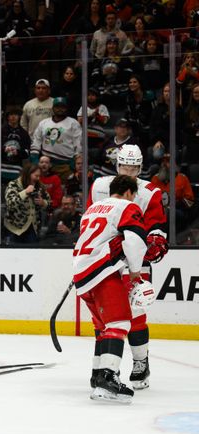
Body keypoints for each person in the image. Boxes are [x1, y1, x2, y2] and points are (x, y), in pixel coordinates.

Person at [86, 145, 167, 390]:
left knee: (135, 312)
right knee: (104, 315)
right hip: (106, 261)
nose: (129, 172)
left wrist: (156, 239)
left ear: (140, 167)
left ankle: (141, 363)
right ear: (117, 165)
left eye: (133, 168)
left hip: (135, 259)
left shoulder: (149, 192)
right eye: (124, 167)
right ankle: (102, 368)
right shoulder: (99, 186)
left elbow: (156, 226)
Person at [73, 174, 147, 404]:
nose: (134, 198)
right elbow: (135, 239)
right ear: (128, 192)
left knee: (104, 326)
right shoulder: (127, 206)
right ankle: (107, 379)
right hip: (102, 270)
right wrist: (135, 270)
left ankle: (97, 375)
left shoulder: (93, 208)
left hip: (82, 271)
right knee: (120, 322)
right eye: (133, 194)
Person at [30, 97, 82, 181]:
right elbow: (36, 141)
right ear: (53, 108)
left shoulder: (73, 123)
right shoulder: (44, 123)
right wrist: (35, 158)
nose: (60, 109)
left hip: (65, 165)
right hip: (45, 164)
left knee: (64, 189)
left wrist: (75, 161)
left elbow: (79, 144)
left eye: (62, 107)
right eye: (57, 107)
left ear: (66, 108)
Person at [3, 164, 50, 244]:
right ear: (28, 174)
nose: (38, 178)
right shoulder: (13, 185)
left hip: (33, 228)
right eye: (36, 176)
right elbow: (10, 203)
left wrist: (43, 203)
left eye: (39, 176)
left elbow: (49, 203)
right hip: (15, 228)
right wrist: (25, 192)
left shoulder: (39, 186)